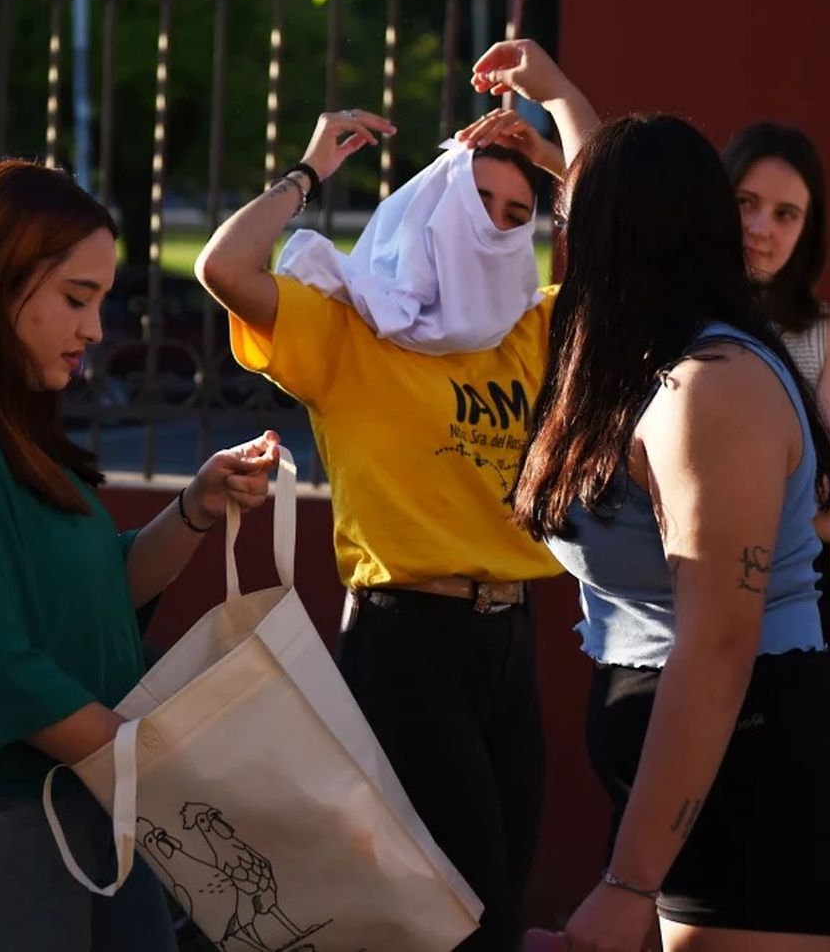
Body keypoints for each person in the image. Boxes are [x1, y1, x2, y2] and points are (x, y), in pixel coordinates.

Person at [0, 159, 281, 951]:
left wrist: (197, 505)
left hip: (71, 798)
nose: (97, 330)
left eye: (101, 301)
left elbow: (99, 588)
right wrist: (169, 778)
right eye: (77, 298)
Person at [492, 40, 830, 951]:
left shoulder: (712, 387)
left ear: (620, 238)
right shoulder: (655, 365)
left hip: (765, 795)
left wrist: (628, 882)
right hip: (708, 793)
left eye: (575, 217)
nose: (563, 230)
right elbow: (614, 180)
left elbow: (715, 644)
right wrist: (558, 95)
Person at [194, 65, 598, 948]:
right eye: (479, 198)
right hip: (405, 642)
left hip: (511, 637)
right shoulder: (351, 329)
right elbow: (222, 265)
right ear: (434, 204)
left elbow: (646, 257)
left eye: (516, 212)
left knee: (495, 893)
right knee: (469, 914)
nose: (496, 223)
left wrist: (558, 144)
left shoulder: (533, 329)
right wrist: (307, 173)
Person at [723, 124, 830, 678]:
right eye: (745, 203)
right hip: (673, 609)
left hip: (791, 611)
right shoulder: (675, 323)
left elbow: (825, 497)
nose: (761, 229)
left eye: (786, 215)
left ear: (808, 230)